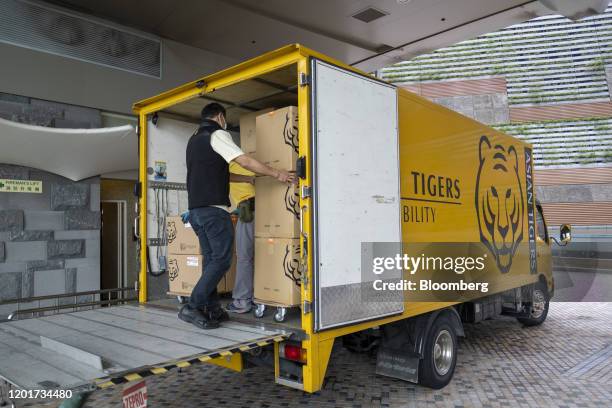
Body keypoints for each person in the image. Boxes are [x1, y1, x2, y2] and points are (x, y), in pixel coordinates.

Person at [179, 102, 295, 329]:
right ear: (220, 117)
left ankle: (211, 309)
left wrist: (248, 180)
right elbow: (243, 160)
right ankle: (193, 306)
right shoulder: (217, 134)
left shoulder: (194, 139)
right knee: (222, 260)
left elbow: (222, 174)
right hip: (214, 211)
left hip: (197, 212)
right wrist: (277, 173)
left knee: (212, 261)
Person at [227, 162, 256, 313]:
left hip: (248, 210)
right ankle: (262, 295)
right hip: (267, 207)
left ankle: (242, 301)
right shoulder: (251, 161)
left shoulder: (229, 166)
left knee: (244, 256)